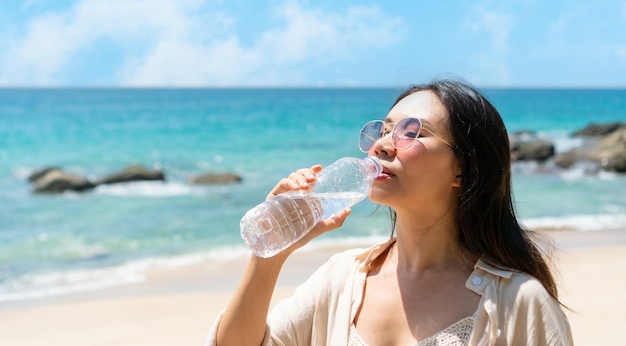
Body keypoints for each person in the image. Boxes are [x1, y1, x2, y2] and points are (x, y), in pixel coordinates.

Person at [206, 79, 573, 346]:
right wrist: (270, 253)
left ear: (465, 171)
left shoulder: (518, 303)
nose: (382, 144)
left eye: (411, 132)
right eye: (384, 130)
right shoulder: (342, 280)